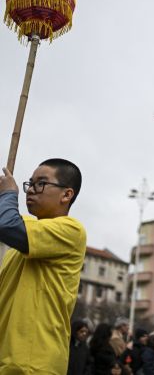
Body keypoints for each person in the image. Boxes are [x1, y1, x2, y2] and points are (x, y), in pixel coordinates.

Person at [0, 158, 86, 374]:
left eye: (41, 183)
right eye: (30, 183)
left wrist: (8, 194)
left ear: (67, 194)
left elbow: (7, 224)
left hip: (34, 363)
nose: (30, 190)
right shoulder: (20, 242)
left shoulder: (71, 230)